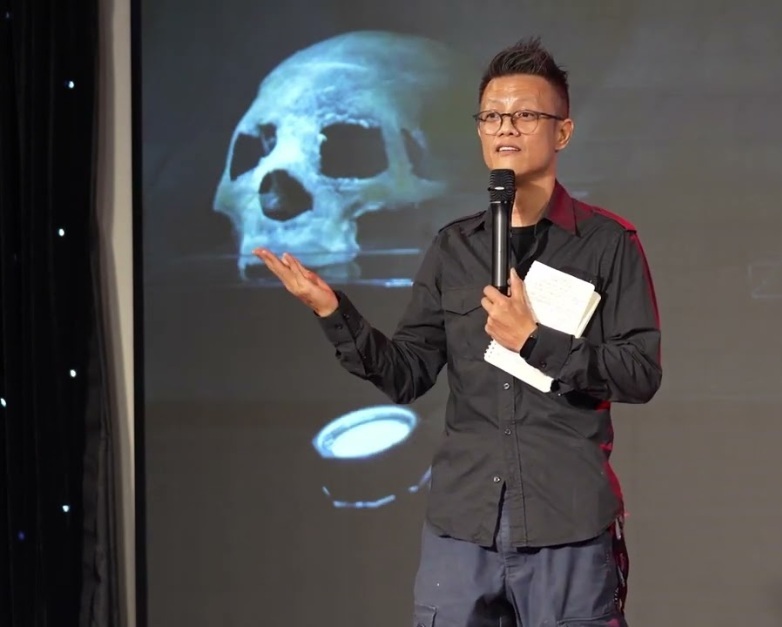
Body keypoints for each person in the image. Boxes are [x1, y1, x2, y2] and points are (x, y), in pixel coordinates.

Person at [254, 36, 662, 627]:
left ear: (563, 132)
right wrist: (332, 311)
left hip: (567, 523)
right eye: (492, 116)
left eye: (525, 115)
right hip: (463, 525)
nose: (506, 128)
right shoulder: (455, 248)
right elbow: (407, 374)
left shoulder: (607, 244)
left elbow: (640, 373)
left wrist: (535, 341)